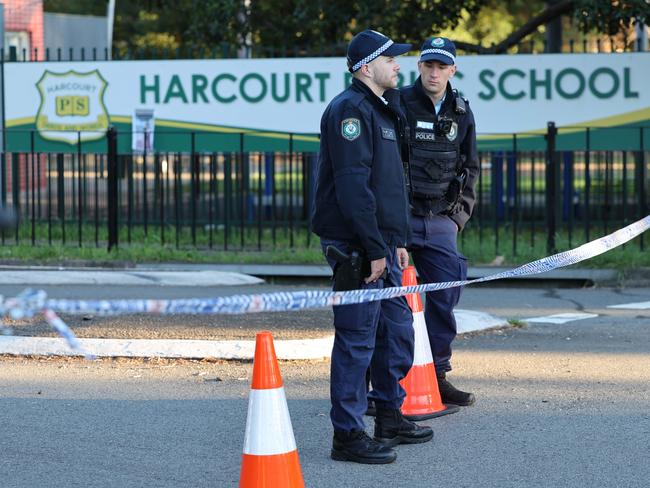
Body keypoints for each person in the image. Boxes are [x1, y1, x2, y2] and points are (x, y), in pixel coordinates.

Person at [312, 29, 433, 465]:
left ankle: (389, 415)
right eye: (392, 59)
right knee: (357, 340)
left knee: (396, 331)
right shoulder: (350, 111)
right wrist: (375, 247)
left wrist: (397, 243)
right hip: (357, 247)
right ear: (367, 67)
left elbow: (390, 186)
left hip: (384, 244)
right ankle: (347, 434)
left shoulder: (383, 110)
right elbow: (353, 188)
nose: (400, 65)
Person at [400, 37, 479, 406]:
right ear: (419, 67)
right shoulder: (397, 103)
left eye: (441, 66)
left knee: (444, 297)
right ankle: (385, 379)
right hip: (400, 218)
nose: (434, 73)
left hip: (440, 220)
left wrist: (457, 218)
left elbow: (470, 166)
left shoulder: (461, 110)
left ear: (452, 69)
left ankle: (437, 373)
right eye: (428, 66)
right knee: (390, 301)